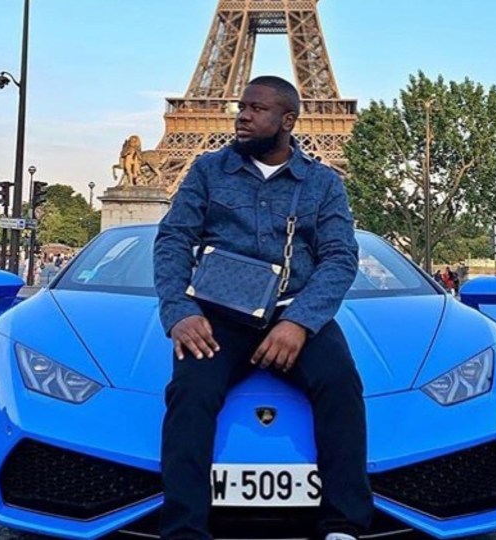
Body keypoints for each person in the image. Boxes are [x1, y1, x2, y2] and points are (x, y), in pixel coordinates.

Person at [154, 76, 371, 540]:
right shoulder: (207, 170)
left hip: (294, 312)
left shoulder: (323, 182)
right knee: (189, 392)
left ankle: (342, 525)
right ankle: (184, 531)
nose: (243, 116)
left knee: (341, 384)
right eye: (241, 107)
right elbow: (174, 238)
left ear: (287, 120)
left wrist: (299, 322)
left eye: (256, 109)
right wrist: (179, 310)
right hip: (219, 313)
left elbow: (340, 257)